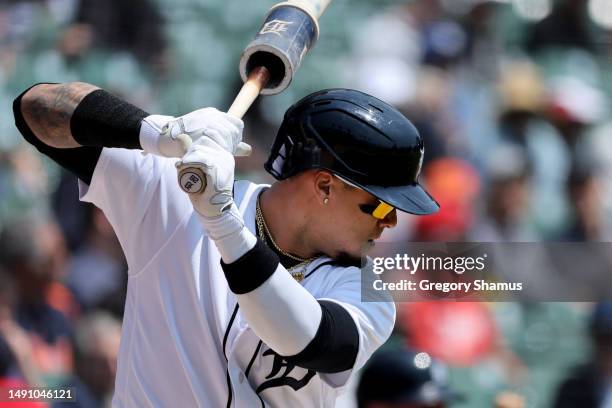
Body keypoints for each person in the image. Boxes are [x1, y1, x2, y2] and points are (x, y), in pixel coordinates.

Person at [13, 83, 439, 406]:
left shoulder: (366, 291)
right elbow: (35, 110)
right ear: (325, 185)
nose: (393, 222)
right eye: (380, 207)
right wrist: (158, 131)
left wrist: (222, 221)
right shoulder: (175, 196)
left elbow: (316, 343)